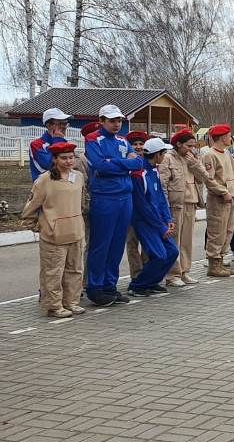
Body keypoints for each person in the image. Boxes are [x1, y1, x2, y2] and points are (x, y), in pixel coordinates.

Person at [84, 105, 144, 305]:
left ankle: (110, 285)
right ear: (101, 121)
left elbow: (138, 164)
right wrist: (123, 164)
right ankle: (95, 287)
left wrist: (115, 164)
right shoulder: (93, 139)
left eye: (119, 120)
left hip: (125, 197)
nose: (117, 124)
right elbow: (100, 165)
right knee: (101, 244)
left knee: (117, 244)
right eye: (112, 120)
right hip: (105, 197)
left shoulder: (123, 140)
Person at [21, 142, 86, 317]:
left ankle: (71, 302)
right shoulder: (45, 179)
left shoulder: (78, 177)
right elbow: (31, 207)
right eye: (63, 158)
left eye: (71, 157)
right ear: (55, 159)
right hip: (54, 235)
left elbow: (81, 203)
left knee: (75, 269)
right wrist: (39, 226)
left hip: (76, 232)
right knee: (53, 272)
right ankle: (54, 306)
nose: (68, 161)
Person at [127, 138, 179, 297]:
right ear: (157, 155)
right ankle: (138, 285)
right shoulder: (138, 173)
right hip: (144, 222)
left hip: (159, 221)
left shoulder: (154, 170)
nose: (165, 156)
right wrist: (161, 227)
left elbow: (161, 199)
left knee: (172, 252)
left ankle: (151, 282)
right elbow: (143, 206)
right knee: (159, 255)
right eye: (163, 153)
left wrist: (168, 220)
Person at [197, 124, 234, 277]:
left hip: (230, 197)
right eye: (228, 135)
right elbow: (209, 179)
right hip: (218, 199)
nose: (230, 138)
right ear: (221, 137)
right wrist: (222, 191)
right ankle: (213, 264)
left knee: (227, 230)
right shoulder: (210, 155)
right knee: (216, 232)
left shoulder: (227, 153)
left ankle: (220, 260)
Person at [165, 129, 202, 285]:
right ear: (178, 144)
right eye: (188, 145)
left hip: (191, 201)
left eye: (194, 146)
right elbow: (163, 184)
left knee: (187, 241)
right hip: (176, 204)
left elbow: (203, 177)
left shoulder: (192, 158)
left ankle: (184, 271)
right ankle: (172, 274)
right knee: (175, 241)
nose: (191, 149)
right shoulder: (168, 159)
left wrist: (194, 163)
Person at [124, 131, 150, 279]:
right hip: (131, 208)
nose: (138, 147)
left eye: (141, 144)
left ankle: (147, 272)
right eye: (135, 144)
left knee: (147, 242)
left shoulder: (149, 162)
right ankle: (136, 274)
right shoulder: (126, 162)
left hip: (146, 209)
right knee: (132, 242)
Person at [29, 108, 72, 181]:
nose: (64, 127)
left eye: (65, 123)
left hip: (63, 186)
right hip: (44, 188)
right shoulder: (36, 145)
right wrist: (57, 140)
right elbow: (50, 165)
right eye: (61, 123)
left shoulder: (64, 143)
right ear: (48, 125)